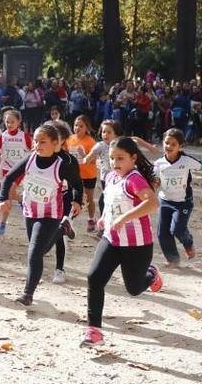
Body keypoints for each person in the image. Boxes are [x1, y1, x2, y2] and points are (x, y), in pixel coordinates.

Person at [82, 137, 162, 347]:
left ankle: (151, 274)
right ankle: (94, 331)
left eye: (120, 158)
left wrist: (124, 218)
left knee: (134, 289)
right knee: (94, 278)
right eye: (111, 158)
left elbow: (153, 203)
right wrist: (104, 219)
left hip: (137, 245)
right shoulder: (110, 177)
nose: (115, 163)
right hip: (112, 239)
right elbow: (111, 202)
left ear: (133, 158)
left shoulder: (134, 179)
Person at [0, 124, 82, 306]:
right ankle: (63, 230)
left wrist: (77, 201)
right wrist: (3, 198)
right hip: (30, 212)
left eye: (42, 141)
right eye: (36, 141)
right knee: (40, 251)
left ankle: (28, 294)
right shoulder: (29, 159)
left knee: (34, 252)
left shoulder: (61, 165)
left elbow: (77, 183)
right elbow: (8, 177)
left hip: (50, 215)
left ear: (55, 144)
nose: (37, 144)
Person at [152, 128, 199, 265]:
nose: (169, 146)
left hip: (183, 202)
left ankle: (188, 243)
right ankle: (173, 259)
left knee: (177, 229)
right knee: (162, 233)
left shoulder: (186, 160)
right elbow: (154, 182)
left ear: (181, 146)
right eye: (167, 143)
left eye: (173, 144)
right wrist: (155, 184)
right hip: (165, 201)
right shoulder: (159, 164)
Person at [0, 109, 32, 236]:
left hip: (19, 170)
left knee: (9, 193)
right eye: (7, 122)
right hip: (5, 169)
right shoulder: (3, 136)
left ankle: (3, 222)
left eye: (12, 122)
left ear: (18, 122)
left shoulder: (24, 136)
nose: (9, 124)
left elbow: (33, 150)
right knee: (12, 193)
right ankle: (22, 200)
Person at [66, 115, 98, 233]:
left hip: (88, 174)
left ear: (86, 128)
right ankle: (69, 220)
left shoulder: (91, 142)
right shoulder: (69, 139)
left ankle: (91, 218)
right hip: (74, 175)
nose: (77, 128)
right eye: (75, 125)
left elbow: (95, 161)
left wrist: (84, 155)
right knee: (72, 197)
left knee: (89, 198)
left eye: (81, 126)